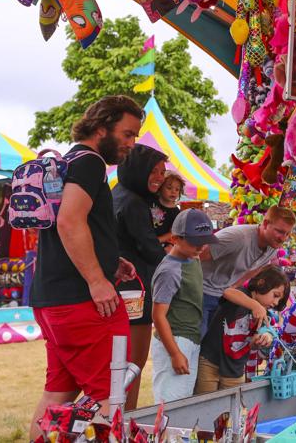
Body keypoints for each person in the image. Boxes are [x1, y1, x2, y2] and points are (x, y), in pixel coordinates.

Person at [29, 96, 144, 439]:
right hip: (82, 302)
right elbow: (69, 221)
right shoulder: (90, 162)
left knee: (57, 395)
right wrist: (96, 280)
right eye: (127, 134)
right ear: (100, 127)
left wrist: (109, 263)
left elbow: (76, 225)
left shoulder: (67, 162)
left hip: (52, 298)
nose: (131, 144)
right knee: (110, 395)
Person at [112, 143, 168, 409]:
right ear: (138, 170)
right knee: (133, 363)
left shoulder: (118, 194)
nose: (160, 178)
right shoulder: (133, 202)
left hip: (120, 288)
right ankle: (124, 420)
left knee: (118, 365)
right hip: (135, 291)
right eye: (154, 171)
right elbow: (150, 248)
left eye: (163, 172)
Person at [150, 209, 217, 403]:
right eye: (195, 241)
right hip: (175, 340)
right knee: (169, 403)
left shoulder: (193, 258)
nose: (201, 247)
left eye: (204, 241)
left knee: (183, 400)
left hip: (190, 339)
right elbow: (158, 316)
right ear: (175, 238)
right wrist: (175, 353)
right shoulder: (170, 270)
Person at [199, 206, 296, 336]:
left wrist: (231, 289)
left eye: (287, 234)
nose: (283, 238)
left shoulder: (272, 246)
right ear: (265, 224)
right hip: (200, 292)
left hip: (220, 297)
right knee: (193, 343)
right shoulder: (238, 237)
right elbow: (196, 255)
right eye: (279, 231)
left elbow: (252, 270)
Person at [194, 265, 289, 393]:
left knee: (231, 410)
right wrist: (254, 305)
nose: (276, 303)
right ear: (262, 283)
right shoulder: (242, 295)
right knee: (204, 406)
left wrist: (259, 341)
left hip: (235, 371)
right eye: (275, 295)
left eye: (279, 300)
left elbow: (252, 340)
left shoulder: (263, 313)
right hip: (209, 362)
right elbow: (227, 291)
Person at [150, 171, 184, 250]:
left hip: (160, 244)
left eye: (177, 189)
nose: (173, 192)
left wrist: (158, 240)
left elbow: (173, 232)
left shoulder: (176, 212)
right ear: (160, 187)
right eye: (169, 188)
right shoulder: (151, 201)